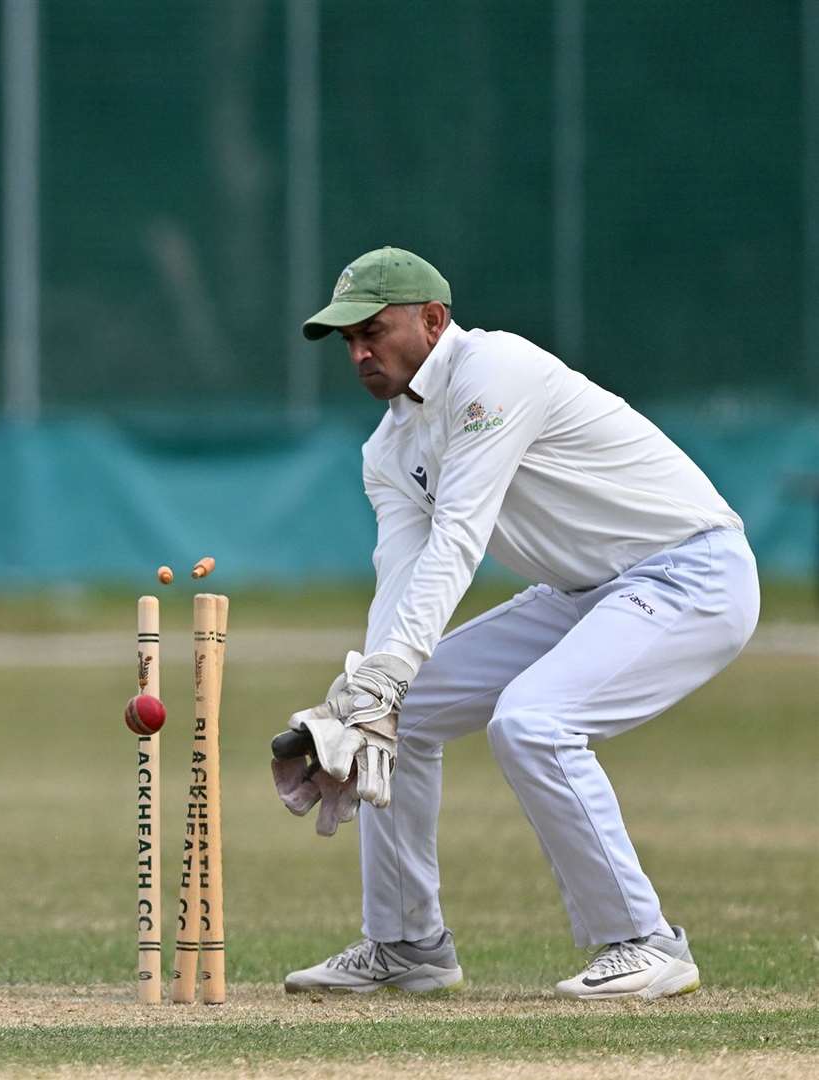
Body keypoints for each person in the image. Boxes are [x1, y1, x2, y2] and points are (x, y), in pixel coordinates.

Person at [269, 247, 757, 1001]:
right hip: (578, 591)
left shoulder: (495, 372)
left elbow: (460, 537)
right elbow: (401, 577)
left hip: (691, 569)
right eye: (348, 340)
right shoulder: (388, 448)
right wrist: (372, 689)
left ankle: (646, 942)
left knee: (532, 722)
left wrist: (389, 671)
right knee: (403, 713)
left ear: (433, 320)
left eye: (374, 330)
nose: (360, 352)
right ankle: (407, 945)